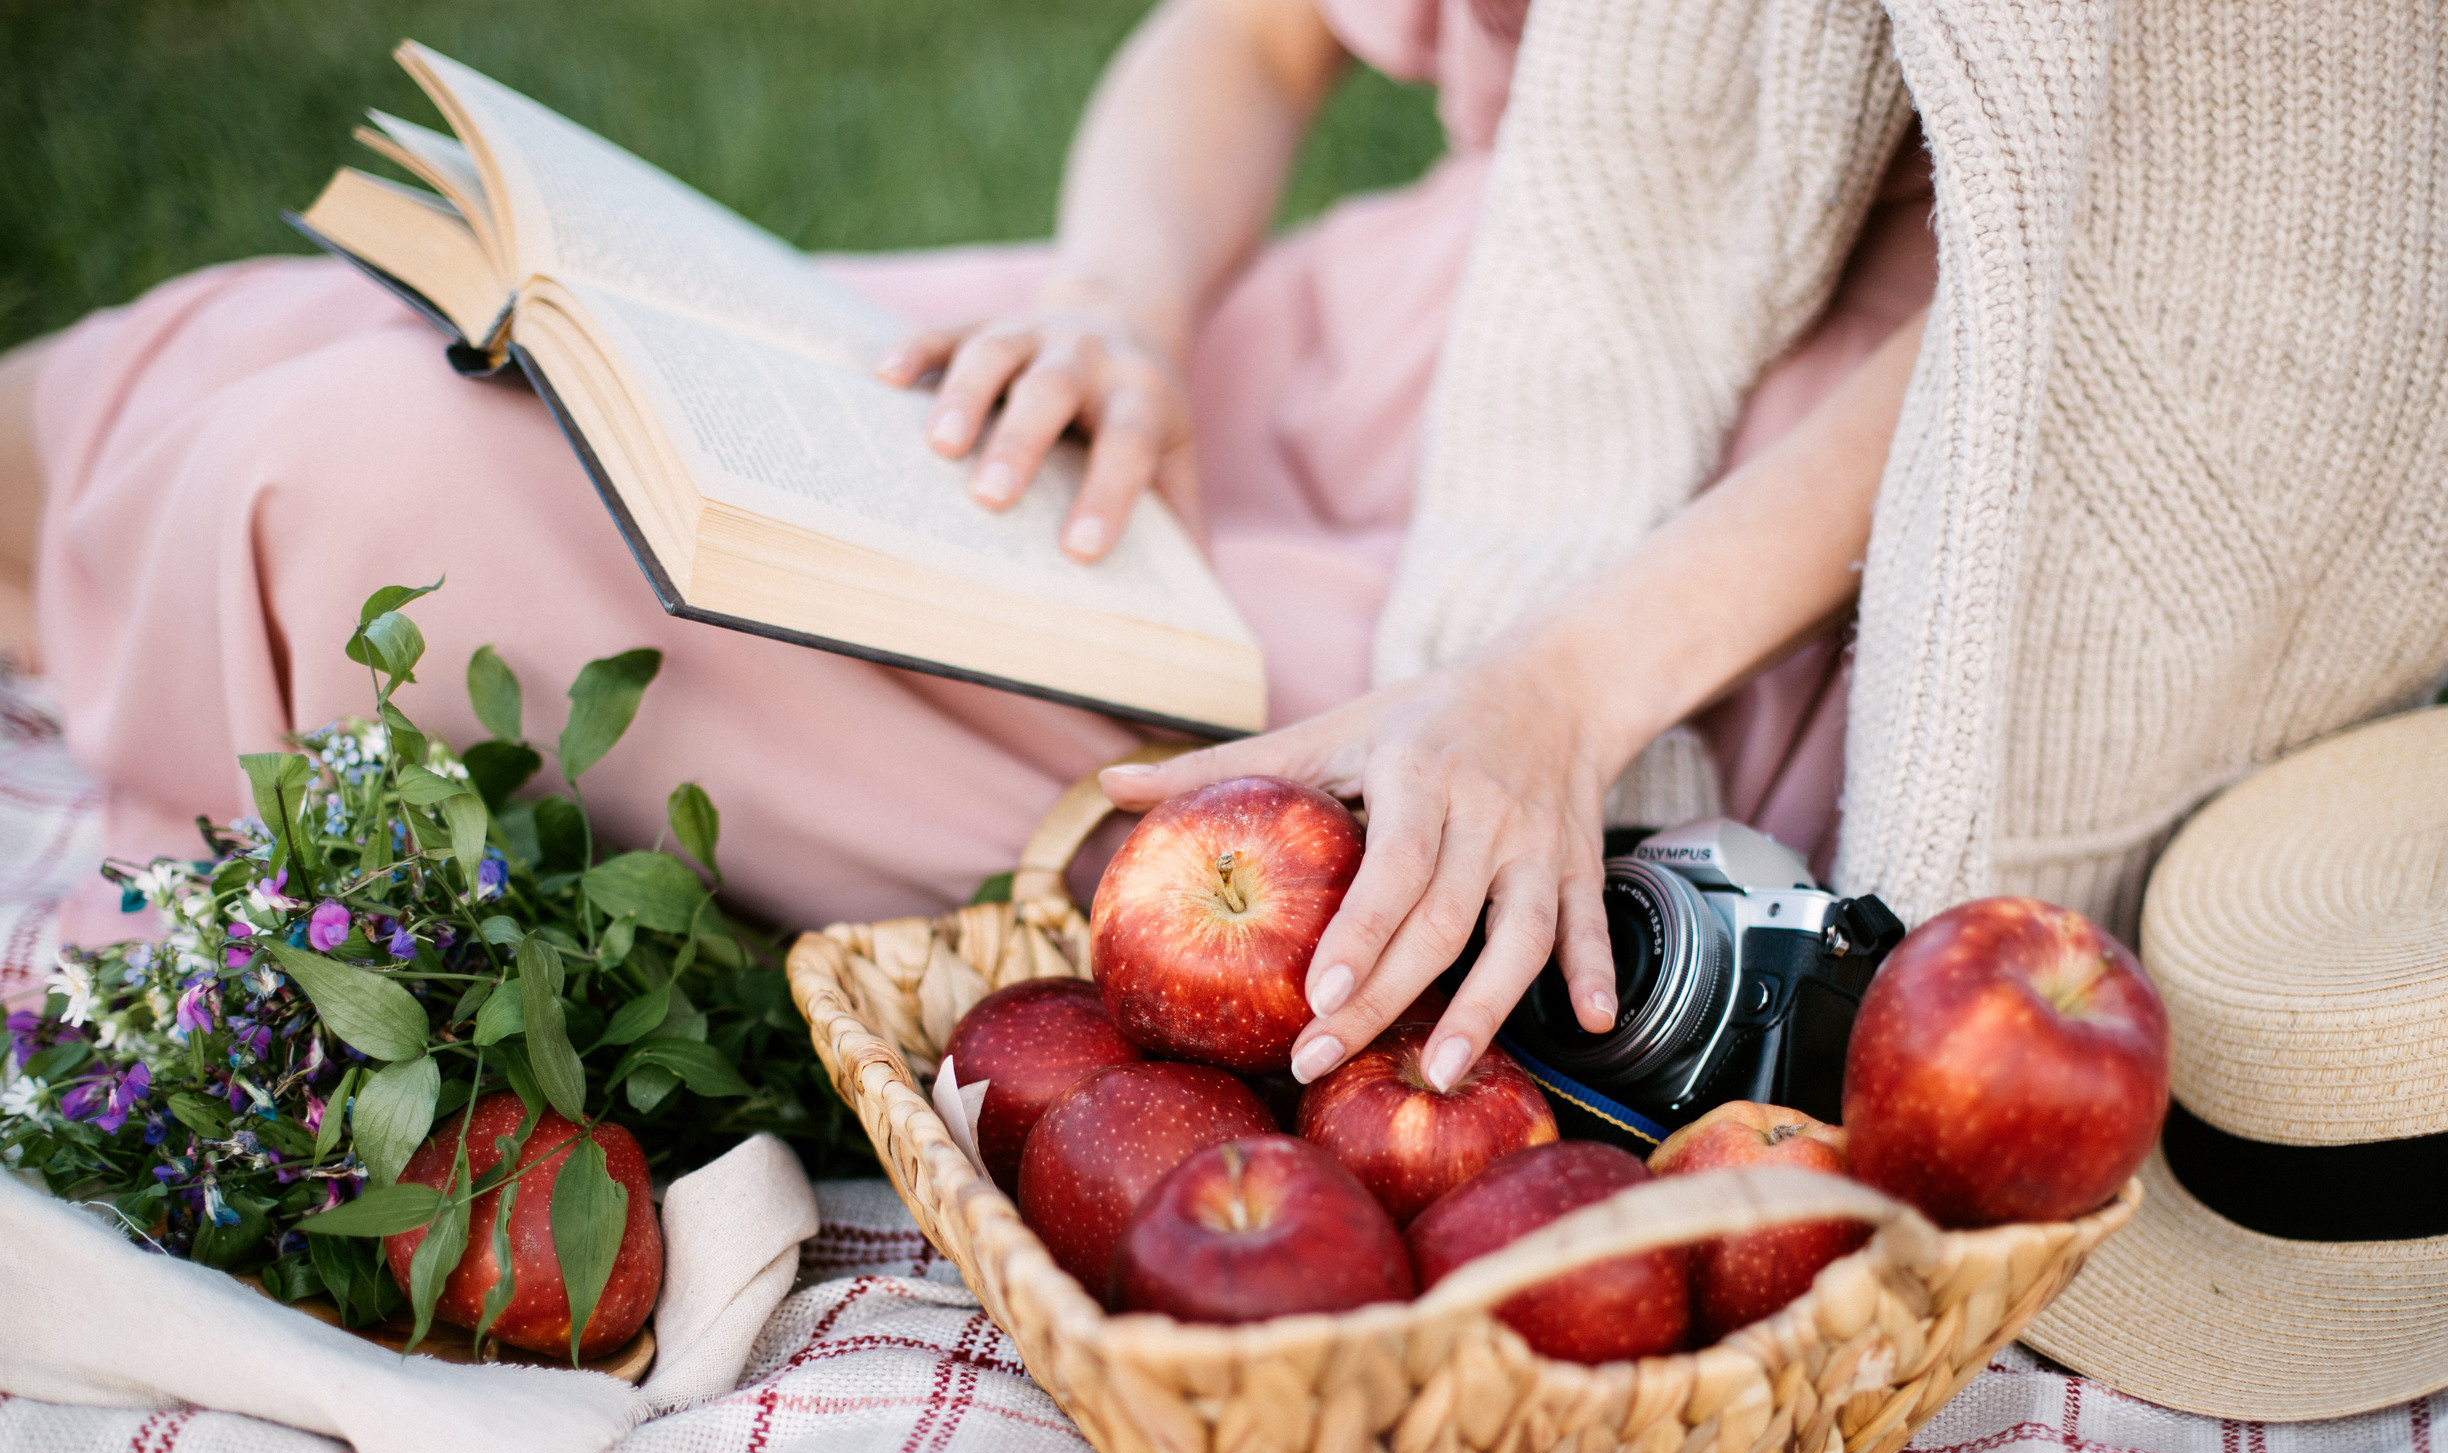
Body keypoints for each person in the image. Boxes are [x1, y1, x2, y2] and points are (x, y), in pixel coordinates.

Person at [0, 0, 1937, 1097]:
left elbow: (2065, 308)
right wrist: (1120, 301)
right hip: (1382, 337)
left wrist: (1558, 688)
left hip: (1691, 559)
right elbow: (1257, 36)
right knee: (263, 332)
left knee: (350, 471)